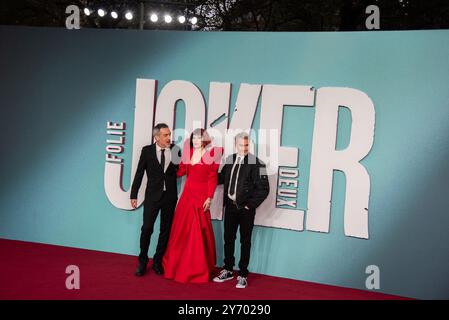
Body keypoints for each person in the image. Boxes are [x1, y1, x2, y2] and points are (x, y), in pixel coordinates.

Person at [162, 128, 223, 283]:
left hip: (201, 196)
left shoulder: (212, 155)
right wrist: (163, 168)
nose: (196, 141)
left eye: (199, 138)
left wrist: (209, 198)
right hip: (187, 196)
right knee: (181, 230)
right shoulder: (187, 154)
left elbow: (212, 178)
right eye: (194, 138)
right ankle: (177, 265)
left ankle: (198, 268)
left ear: (204, 140)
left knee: (199, 231)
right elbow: (180, 171)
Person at [213, 132, 269, 288]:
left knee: (245, 241)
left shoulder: (259, 164)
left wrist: (249, 205)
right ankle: (228, 269)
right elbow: (220, 178)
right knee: (228, 239)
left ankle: (243, 274)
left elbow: (264, 189)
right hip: (230, 207)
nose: (244, 148)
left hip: (246, 209)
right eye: (241, 145)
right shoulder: (229, 160)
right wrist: (202, 171)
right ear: (235, 145)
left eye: (246, 145)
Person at [130, 123, 181, 277]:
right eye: (165, 135)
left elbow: (181, 170)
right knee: (147, 228)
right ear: (156, 136)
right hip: (152, 196)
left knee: (165, 231)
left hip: (169, 197)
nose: (169, 138)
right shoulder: (147, 151)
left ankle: (158, 261)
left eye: (169, 134)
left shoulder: (175, 150)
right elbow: (139, 173)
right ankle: (143, 261)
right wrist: (134, 194)